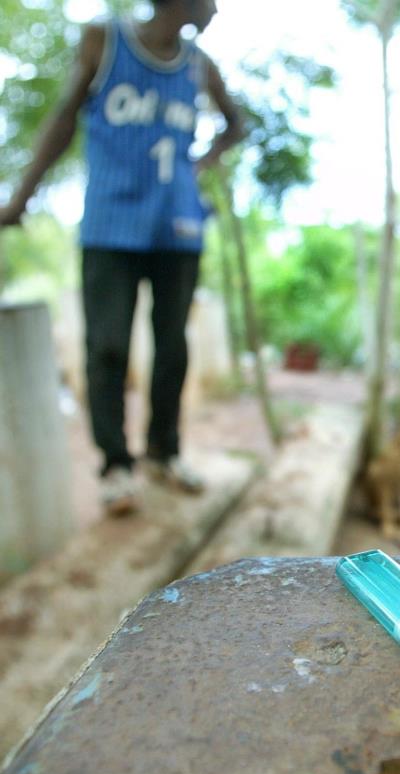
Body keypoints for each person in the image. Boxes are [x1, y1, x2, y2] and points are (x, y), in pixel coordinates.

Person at [0, 0, 243, 515]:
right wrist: (22, 198)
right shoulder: (103, 42)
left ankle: (164, 451)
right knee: (107, 346)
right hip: (111, 224)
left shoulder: (200, 65)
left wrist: (200, 166)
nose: (217, 6)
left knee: (172, 346)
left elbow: (235, 124)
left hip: (178, 225)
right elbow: (65, 118)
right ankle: (115, 465)